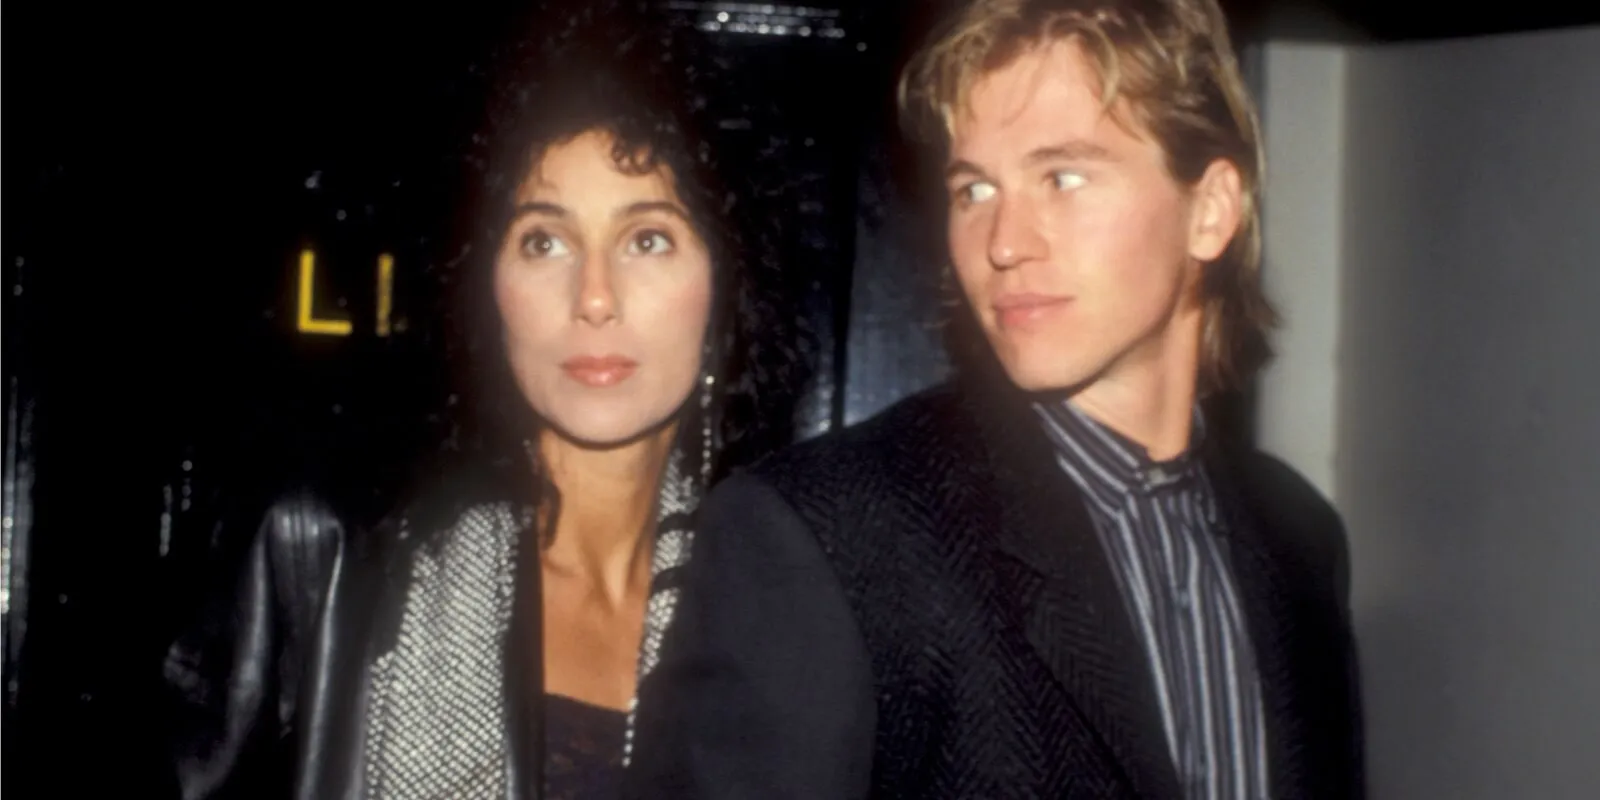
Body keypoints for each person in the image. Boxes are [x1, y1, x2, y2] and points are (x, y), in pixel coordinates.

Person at [625, 0, 1365, 797]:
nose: (1004, 243)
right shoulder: (824, 535)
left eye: (1062, 177)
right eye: (974, 190)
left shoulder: (1299, 538)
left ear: (1211, 211)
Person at [162, 3, 805, 798]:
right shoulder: (328, 555)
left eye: (647, 239)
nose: (594, 296)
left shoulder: (776, 617)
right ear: (485, 285)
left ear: (728, 287)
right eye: (545, 241)